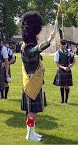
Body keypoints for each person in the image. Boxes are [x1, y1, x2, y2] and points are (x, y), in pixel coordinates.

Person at [20, 11, 55, 141]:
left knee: (32, 110)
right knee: (31, 111)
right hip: (31, 82)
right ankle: (29, 135)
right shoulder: (27, 48)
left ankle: (32, 132)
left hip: (34, 80)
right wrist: (49, 40)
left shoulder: (28, 45)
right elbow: (35, 50)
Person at [53, 39, 75, 104]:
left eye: (64, 46)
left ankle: (66, 100)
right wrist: (64, 68)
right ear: (59, 45)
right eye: (62, 46)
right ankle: (62, 100)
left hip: (68, 69)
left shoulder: (69, 51)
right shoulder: (57, 53)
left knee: (67, 85)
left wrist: (70, 66)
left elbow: (74, 61)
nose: (63, 47)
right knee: (62, 85)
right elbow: (57, 64)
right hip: (61, 70)